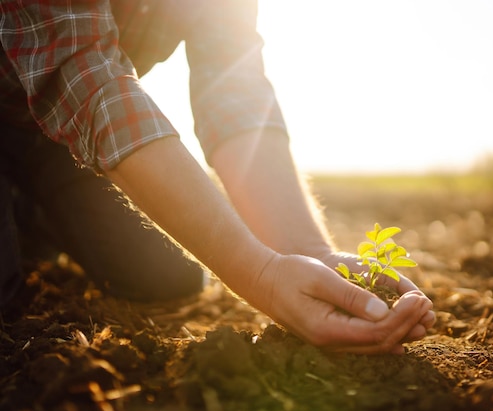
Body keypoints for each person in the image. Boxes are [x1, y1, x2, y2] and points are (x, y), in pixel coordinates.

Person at [0, 0, 435, 354]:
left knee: (164, 277)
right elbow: (84, 73)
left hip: (56, 135)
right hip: (38, 101)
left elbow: (235, 93)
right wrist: (259, 274)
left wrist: (304, 247)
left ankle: (32, 213)